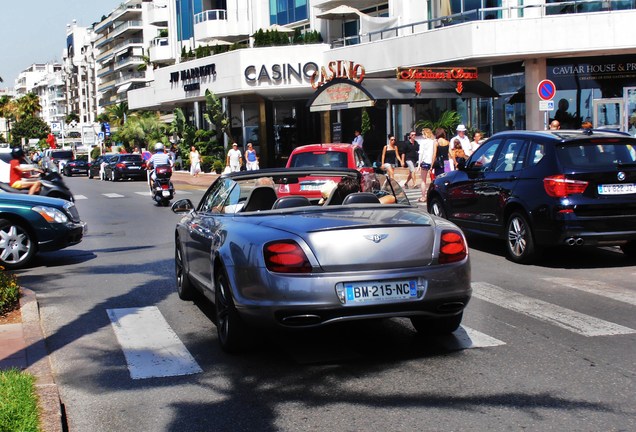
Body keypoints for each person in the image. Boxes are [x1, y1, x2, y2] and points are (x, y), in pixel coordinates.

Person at [416, 128, 437, 203]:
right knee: (433, 180)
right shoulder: (433, 142)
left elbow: (421, 153)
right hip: (432, 162)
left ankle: (423, 196)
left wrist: (418, 164)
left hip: (424, 162)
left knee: (423, 180)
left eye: (423, 134)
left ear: (425, 134)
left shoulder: (423, 142)